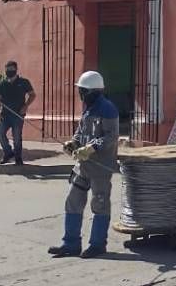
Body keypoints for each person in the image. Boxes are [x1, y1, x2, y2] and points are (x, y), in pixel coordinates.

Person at [47, 71, 119, 259]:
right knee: (73, 201)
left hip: (100, 167)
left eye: (82, 90)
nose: (80, 94)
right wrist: (73, 143)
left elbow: (111, 137)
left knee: (99, 204)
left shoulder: (108, 108)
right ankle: (70, 244)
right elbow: (81, 132)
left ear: (91, 91)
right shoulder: (88, 108)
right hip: (83, 166)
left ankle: (97, 244)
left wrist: (91, 148)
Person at [0, 60, 35, 165]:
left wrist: (25, 106)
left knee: (17, 136)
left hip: (18, 115)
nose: (9, 71)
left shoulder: (23, 82)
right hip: (5, 115)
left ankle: (18, 157)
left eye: (11, 69)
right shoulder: (1, 84)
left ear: (16, 70)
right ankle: (8, 153)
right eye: (7, 70)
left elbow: (32, 95)